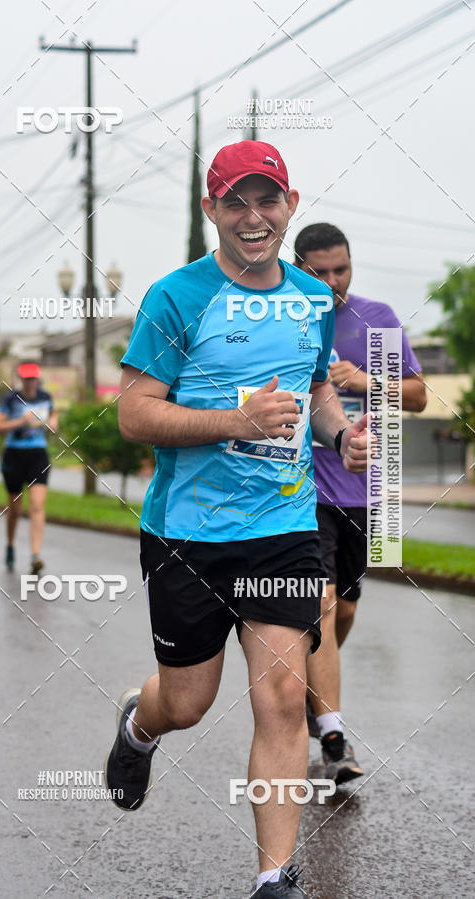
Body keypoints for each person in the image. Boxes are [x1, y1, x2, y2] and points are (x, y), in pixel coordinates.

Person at [105, 141, 371, 898]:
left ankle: (272, 878)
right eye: (235, 201)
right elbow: (133, 413)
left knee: (284, 697)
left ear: (290, 202)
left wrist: (342, 433)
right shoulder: (175, 297)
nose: (253, 218)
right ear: (211, 210)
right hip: (188, 531)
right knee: (187, 701)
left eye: (268, 200)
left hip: (283, 526)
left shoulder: (312, 299)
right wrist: (234, 419)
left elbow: (315, 393)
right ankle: (140, 724)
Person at [294, 222, 426, 784]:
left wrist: (371, 380)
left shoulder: (377, 319)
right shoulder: (284, 319)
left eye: (340, 270)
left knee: (342, 612)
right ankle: (334, 740)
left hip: (363, 490)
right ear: (297, 267)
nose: (331, 282)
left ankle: (311, 691)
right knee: (321, 605)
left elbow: (418, 396)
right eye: (319, 272)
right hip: (301, 490)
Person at [0, 362, 57, 574]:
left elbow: (53, 417)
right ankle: (10, 544)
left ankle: (35, 556)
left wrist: (53, 424)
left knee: (37, 505)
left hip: (38, 454)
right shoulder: (11, 399)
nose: (30, 382)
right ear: (21, 380)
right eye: (27, 379)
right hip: (14, 455)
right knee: (15, 509)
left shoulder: (45, 398)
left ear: (38, 379)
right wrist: (21, 421)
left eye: (33, 378)